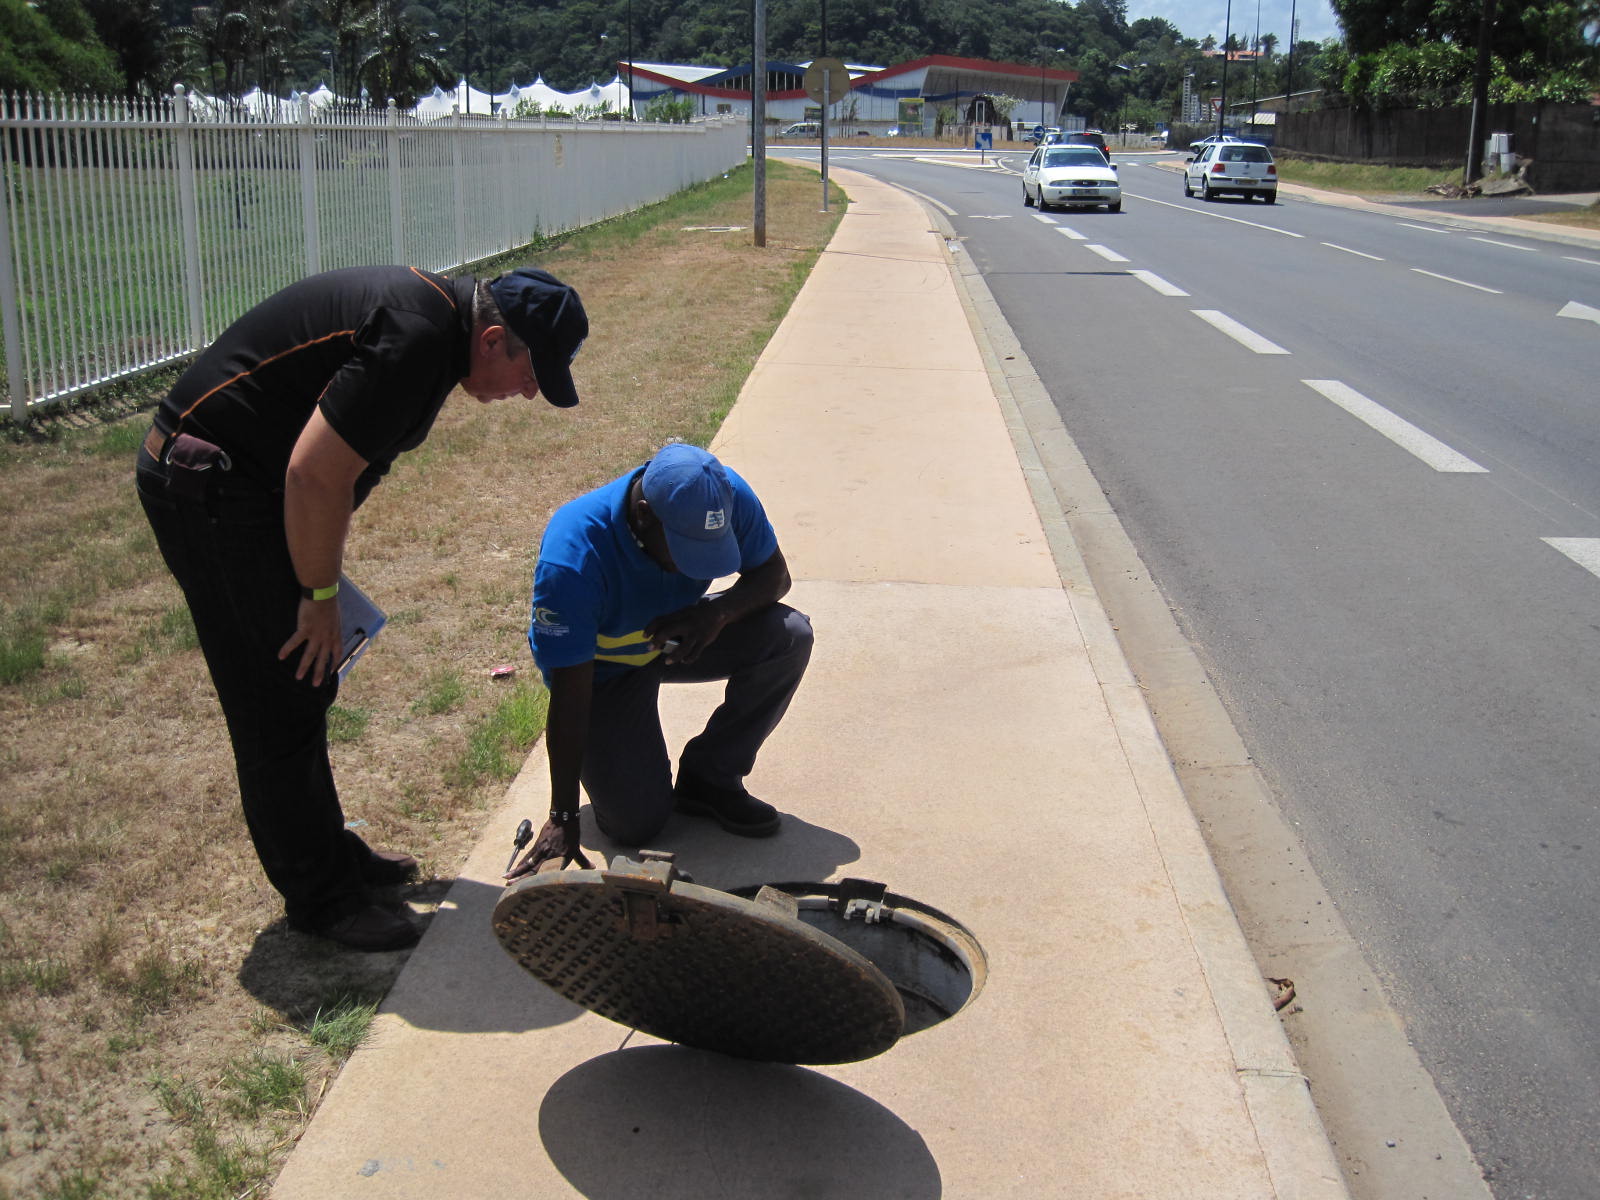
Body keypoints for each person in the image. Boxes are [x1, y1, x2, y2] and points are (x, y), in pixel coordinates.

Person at [135, 265, 588, 951]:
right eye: (532, 373)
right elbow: (313, 474)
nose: (528, 392)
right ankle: (321, 902)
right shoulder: (416, 341)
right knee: (276, 695)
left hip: (249, 489)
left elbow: (333, 469)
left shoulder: (440, 333)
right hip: (209, 488)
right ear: (493, 339)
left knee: (304, 683)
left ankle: (330, 858)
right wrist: (317, 596)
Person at [515, 443, 812, 874]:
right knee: (635, 826)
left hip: (680, 636)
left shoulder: (723, 497)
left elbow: (774, 576)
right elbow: (569, 694)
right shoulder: (574, 555)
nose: (697, 568)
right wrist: (561, 814)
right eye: (685, 551)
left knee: (789, 636)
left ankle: (709, 778)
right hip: (605, 673)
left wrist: (715, 613)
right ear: (644, 514)